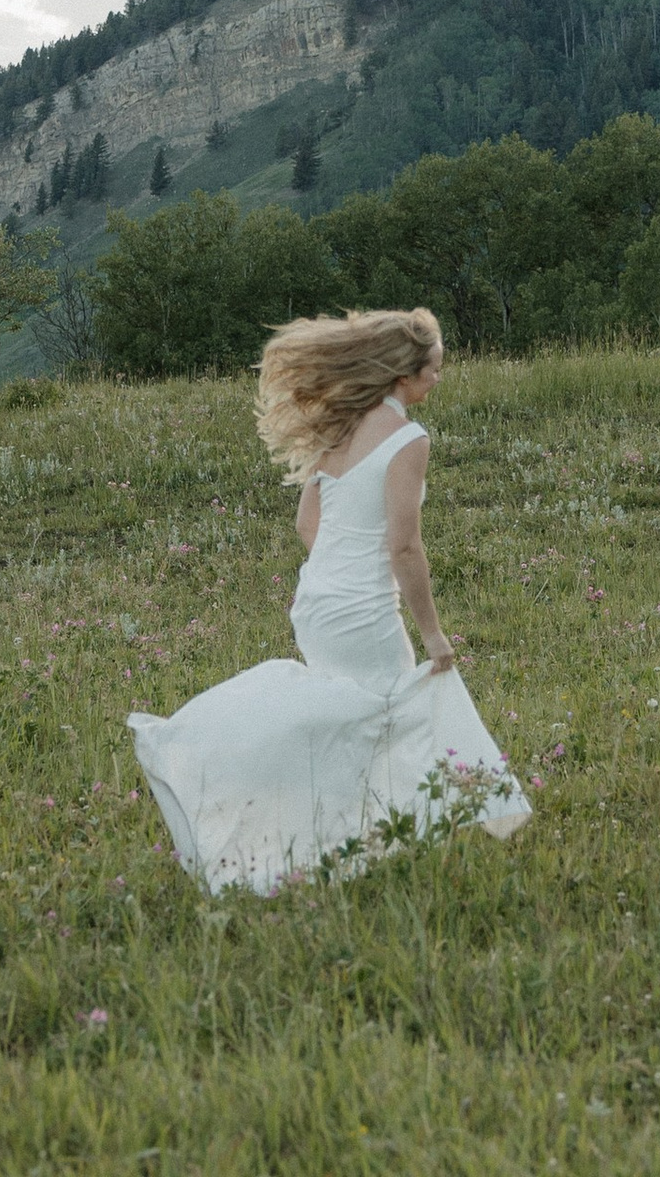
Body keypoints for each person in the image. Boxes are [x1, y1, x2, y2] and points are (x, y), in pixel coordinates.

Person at [128, 305, 529, 894]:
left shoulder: (341, 427)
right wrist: (433, 634)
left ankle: (350, 844)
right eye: (433, 370)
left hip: (317, 604)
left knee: (354, 728)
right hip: (361, 615)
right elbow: (404, 548)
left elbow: (306, 524)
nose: (437, 380)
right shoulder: (409, 439)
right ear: (403, 374)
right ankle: (281, 824)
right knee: (387, 725)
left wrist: (336, 573)